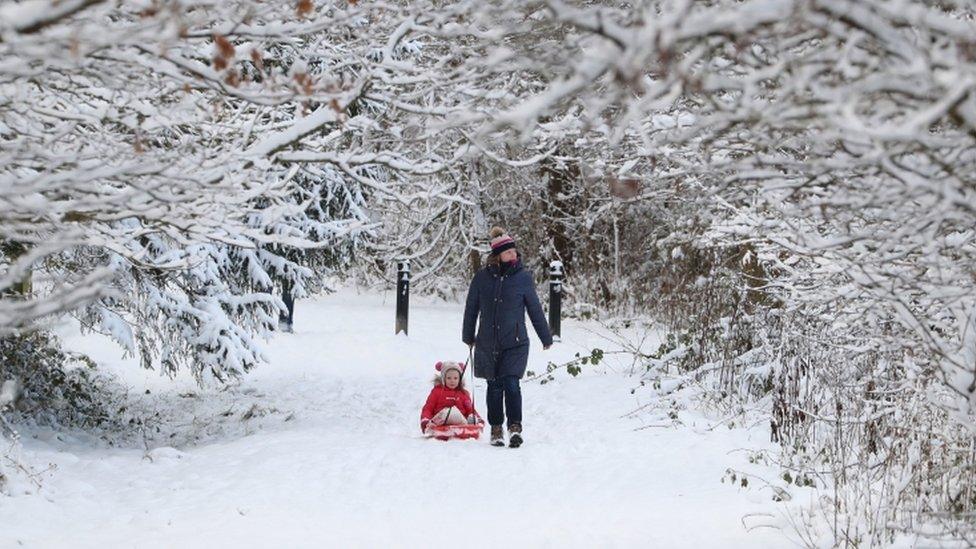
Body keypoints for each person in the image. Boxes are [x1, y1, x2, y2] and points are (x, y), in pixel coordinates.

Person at [463, 227, 552, 448]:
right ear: (498, 255)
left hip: (516, 342)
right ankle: (496, 429)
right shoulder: (482, 278)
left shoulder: (523, 278)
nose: (514, 255)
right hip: (487, 342)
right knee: (494, 387)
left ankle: (514, 428)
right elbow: (471, 307)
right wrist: (468, 335)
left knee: (511, 384)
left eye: (514, 251)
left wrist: (545, 336)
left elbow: (534, 309)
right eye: (508, 252)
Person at [420, 361, 482, 434]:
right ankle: (433, 426)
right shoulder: (437, 392)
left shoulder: (463, 393)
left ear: (459, 379)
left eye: (455, 378)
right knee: (450, 412)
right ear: (443, 379)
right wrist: (426, 421)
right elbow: (428, 408)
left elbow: (470, 409)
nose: (452, 381)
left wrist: (477, 418)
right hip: (440, 421)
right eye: (449, 378)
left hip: (460, 422)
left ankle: (468, 426)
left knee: (464, 415)